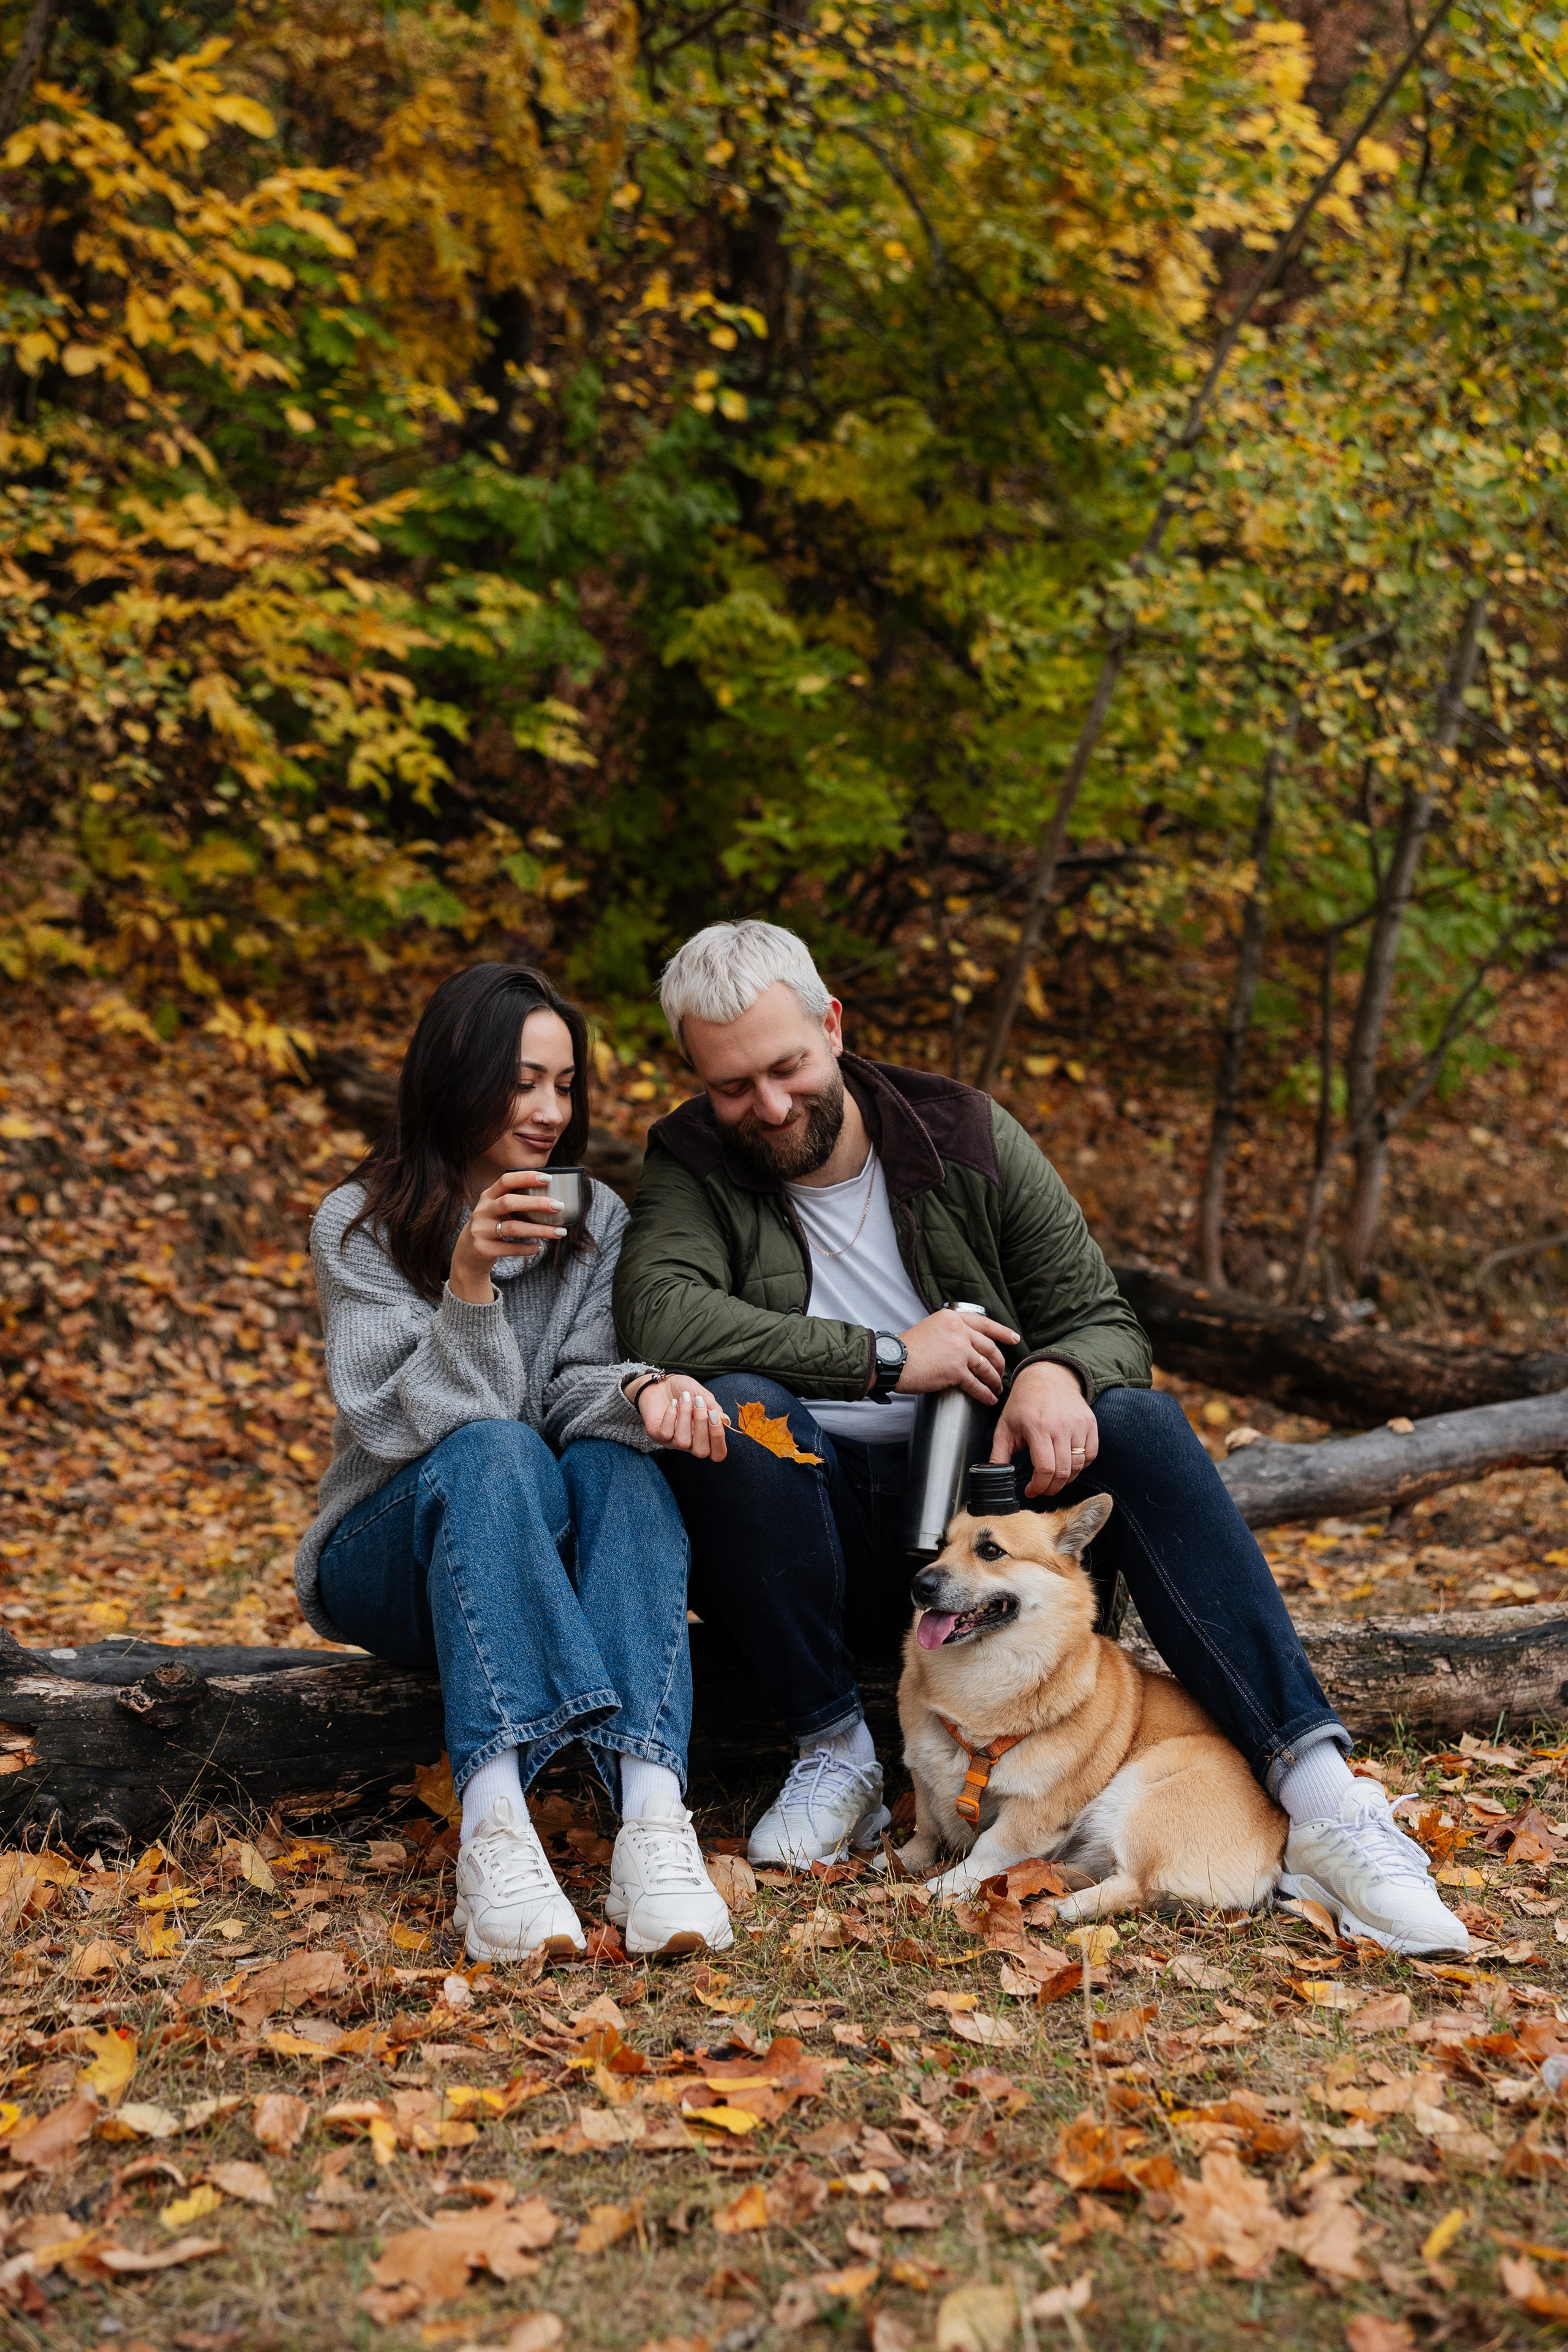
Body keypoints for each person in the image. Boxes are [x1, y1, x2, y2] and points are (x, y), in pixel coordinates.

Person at [612, 920, 1468, 1957]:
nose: (769, 1106)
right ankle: (835, 1747)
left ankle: (1323, 1798)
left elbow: (1103, 1317)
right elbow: (657, 1314)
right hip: (810, 1537)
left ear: (833, 1025)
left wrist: (1060, 1372)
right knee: (742, 1408)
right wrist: (888, 1358)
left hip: (987, 1523)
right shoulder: (690, 1158)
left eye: (787, 1067)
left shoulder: (962, 1134)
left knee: (1139, 1420)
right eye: (732, 1085)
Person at [295, 961, 734, 1964]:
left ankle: (653, 1825)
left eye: (565, 1084)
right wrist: (470, 1278)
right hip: (390, 1553)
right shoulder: (358, 1224)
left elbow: (577, 1392)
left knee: (621, 1466)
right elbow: (405, 1424)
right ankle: (495, 1833)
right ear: (458, 1073)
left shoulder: (597, 1222)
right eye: (522, 1080)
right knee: (495, 1452)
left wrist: (638, 1390)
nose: (547, 1110)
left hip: (530, 1549)